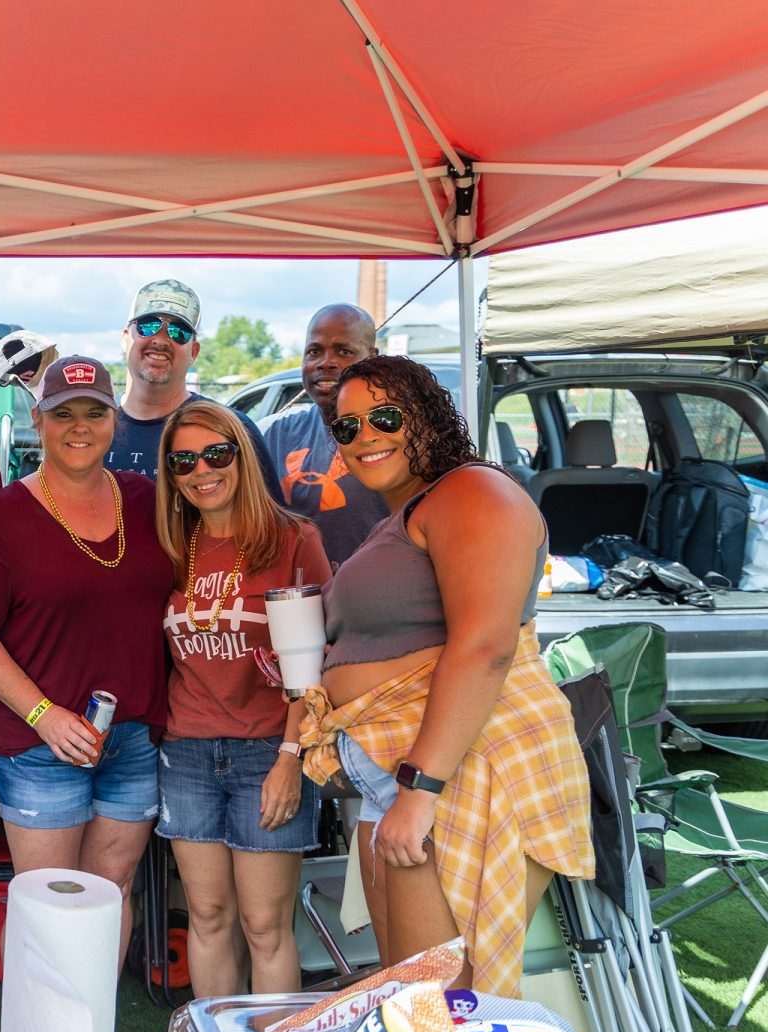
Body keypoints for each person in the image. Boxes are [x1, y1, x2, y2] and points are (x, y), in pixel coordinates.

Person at [300, 356, 593, 997]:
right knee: (407, 995)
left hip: (457, 770)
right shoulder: (413, 510)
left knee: (441, 1004)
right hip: (403, 775)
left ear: (428, 418)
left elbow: (486, 645)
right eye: (345, 428)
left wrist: (420, 788)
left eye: (384, 416)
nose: (364, 436)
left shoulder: (473, 491)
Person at [0, 356, 173, 958]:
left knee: (110, 895)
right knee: (52, 905)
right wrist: (43, 713)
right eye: (63, 413)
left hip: (132, 740)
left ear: (113, 421)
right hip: (42, 748)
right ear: (37, 420)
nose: (80, 426)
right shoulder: (1, 516)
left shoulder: (147, 499)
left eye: (94, 412)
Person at [153, 400, 330, 997]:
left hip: (268, 751)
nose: (201, 470)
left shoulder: (293, 539)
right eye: (183, 461)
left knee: (265, 927)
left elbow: (312, 668)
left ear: (242, 457)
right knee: (206, 919)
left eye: (216, 453)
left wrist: (290, 758)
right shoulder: (171, 545)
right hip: (188, 753)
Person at [105, 278, 283, 503]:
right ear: (124, 338)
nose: (161, 339)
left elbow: (272, 525)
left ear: (194, 351)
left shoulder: (232, 429)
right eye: (147, 325)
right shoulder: (92, 425)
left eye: (179, 331)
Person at [259, 304, 390, 565]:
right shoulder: (274, 433)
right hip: (292, 600)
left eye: (344, 351)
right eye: (314, 351)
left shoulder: (395, 433)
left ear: (373, 358)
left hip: (371, 598)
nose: (326, 362)